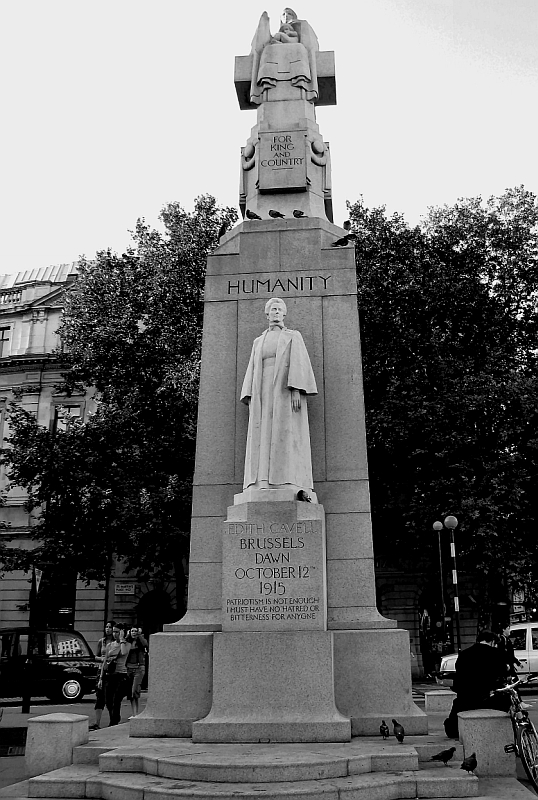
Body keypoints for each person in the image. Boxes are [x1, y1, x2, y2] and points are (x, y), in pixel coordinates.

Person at [241, 298, 317, 494]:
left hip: (285, 389)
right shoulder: (258, 341)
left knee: (285, 432)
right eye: (272, 309)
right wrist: (249, 395)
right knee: (263, 433)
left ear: (284, 314)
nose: (276, 312)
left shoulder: (293, 337)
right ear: (267, 314)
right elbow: (252, 368)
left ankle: (287, 480)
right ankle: (262, 481)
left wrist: (296, 389)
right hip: (262, 392)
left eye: (279, 309)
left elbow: (300, 363)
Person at [444, 629, 510, 738]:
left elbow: (459, 675)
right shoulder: (496, 653)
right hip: (489, 699)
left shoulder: (464, 654)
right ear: (492, 641)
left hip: (466, 698)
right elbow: (502, 673)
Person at [98, 623, 131, 726]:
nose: (114, 634)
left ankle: (114, 721)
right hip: (109, 674)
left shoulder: (126, 644)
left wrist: (122, 639)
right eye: (114, 632)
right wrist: (101, 678)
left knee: (116, 699)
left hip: (120, 675)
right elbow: (105, 661)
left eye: (117, 632)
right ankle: (113, 717)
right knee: (108, 700)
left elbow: (124, 652)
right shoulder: (109, 645)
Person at [89, 621, 115, 731]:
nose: (108, 629)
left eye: (110, 627)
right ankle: (97, 722)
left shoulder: (117, 643)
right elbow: (95, 656)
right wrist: (103, 659)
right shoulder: (102, 642)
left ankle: (113, 721)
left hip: (112, 670)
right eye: (107, 627)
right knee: (100, 697)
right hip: (101, 670)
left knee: (110, 697)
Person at [125, 626, 148, 718]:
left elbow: (145, 644)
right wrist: (126, 636)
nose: (134, 633)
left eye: (135, 631)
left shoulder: (140, 641)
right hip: (129, 668)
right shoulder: (128, 641)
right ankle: (134, 713)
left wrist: (140, 635)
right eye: (132, 631)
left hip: (139, 668)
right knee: (130, 693)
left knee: (135, 691)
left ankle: (136, 713)